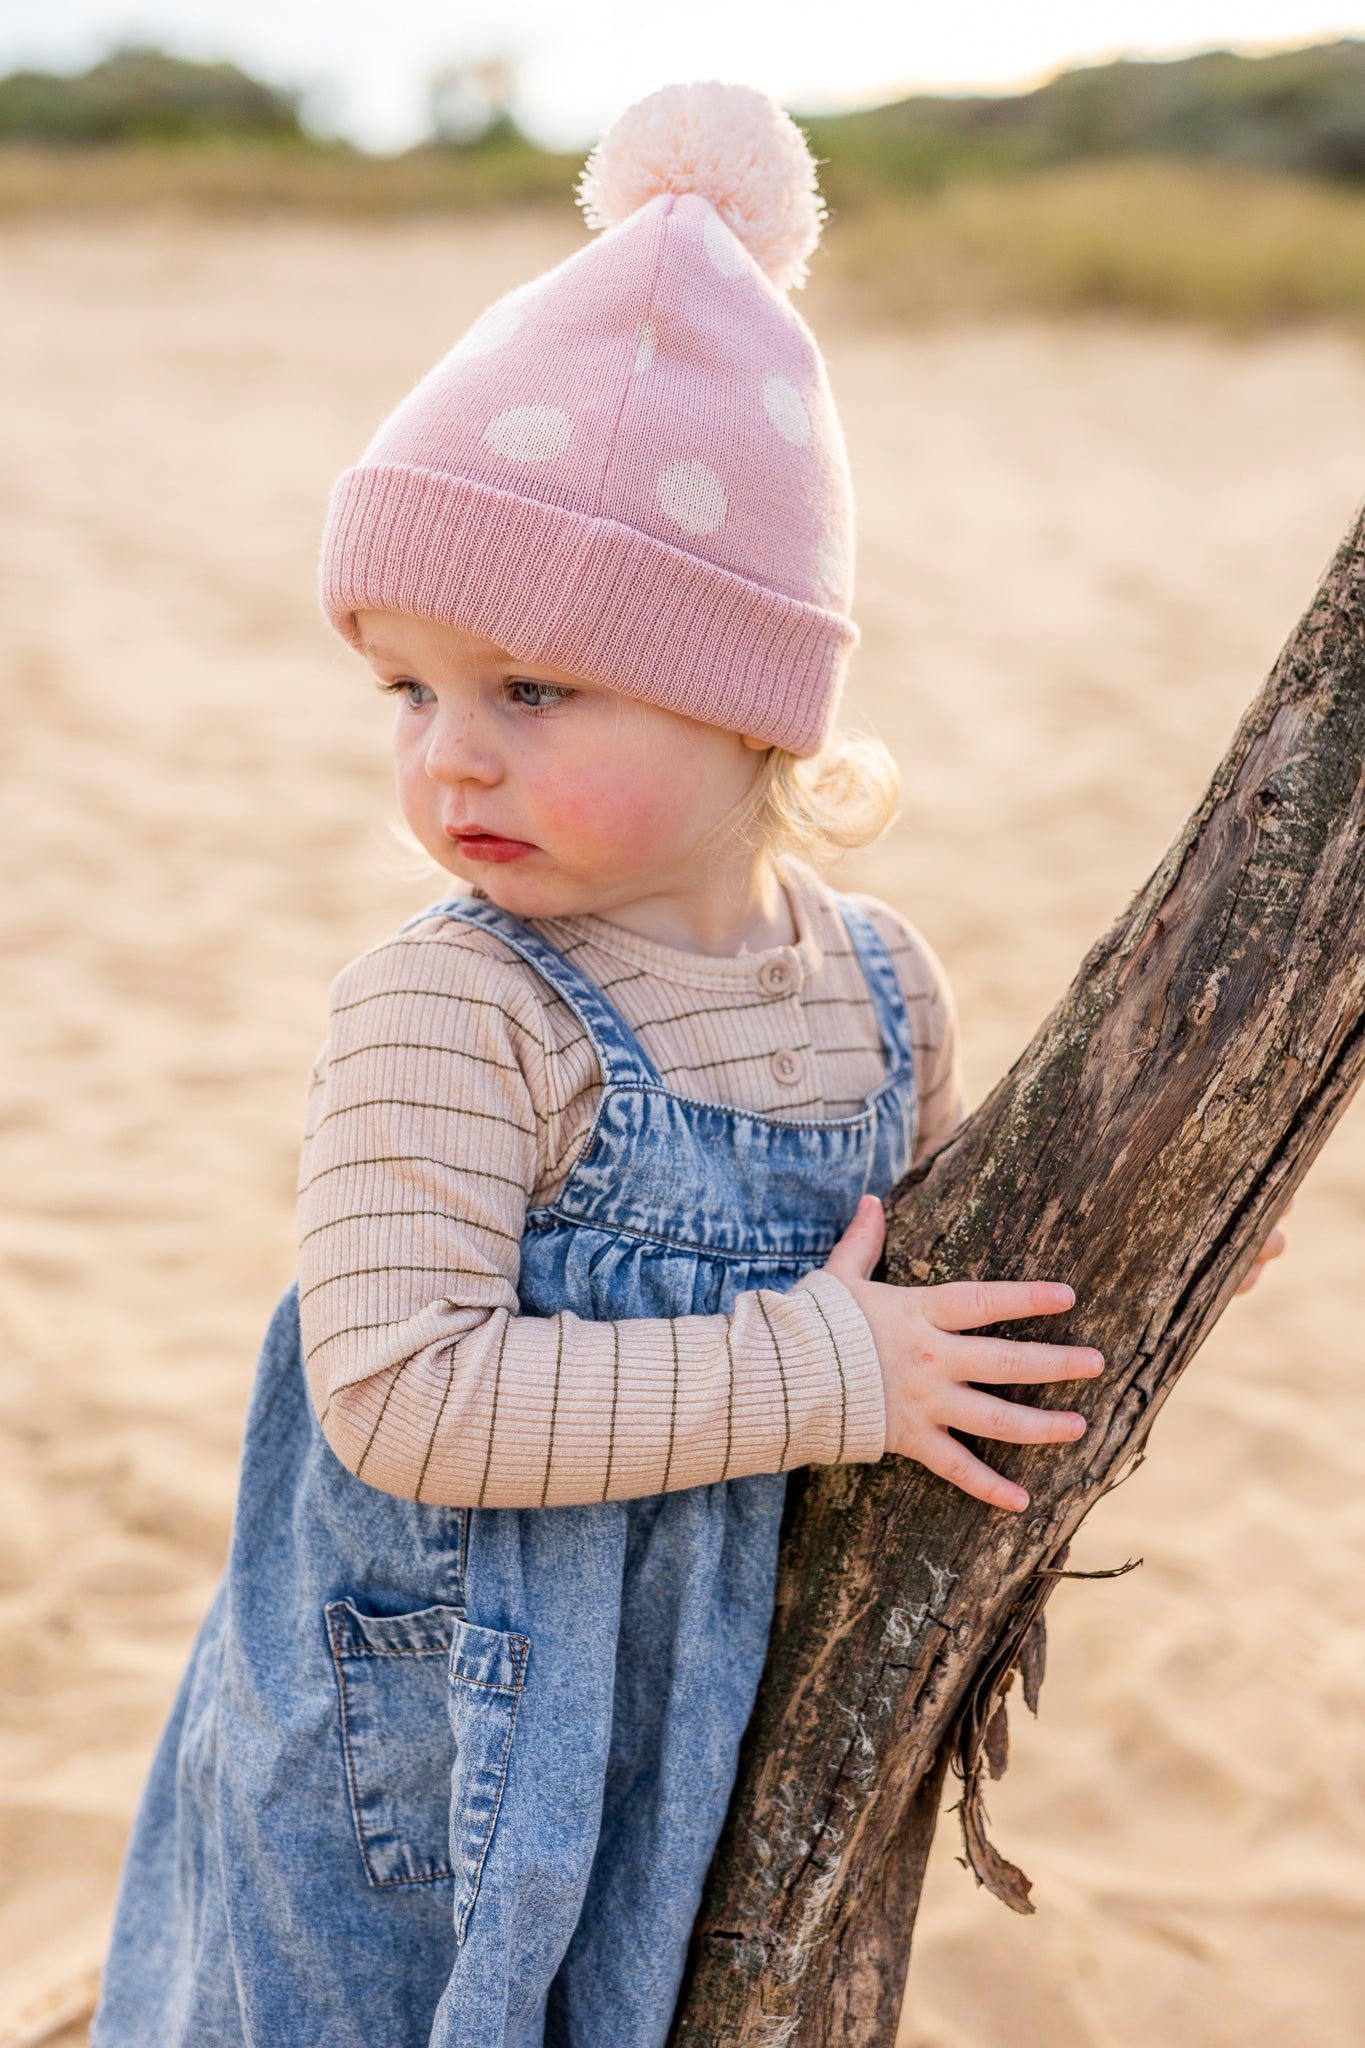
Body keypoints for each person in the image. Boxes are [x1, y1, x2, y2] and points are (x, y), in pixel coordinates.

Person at [92, 80, 1287, 2048]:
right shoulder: (450, 1006)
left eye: (529, 687)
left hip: (678, 1708)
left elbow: (913, 1271)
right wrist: (817, 1372)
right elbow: (398, 1390)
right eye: (406, 688)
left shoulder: (874, 986)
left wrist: (1133, 1234)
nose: (444, 758)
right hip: (411, 1758)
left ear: (751, 706)